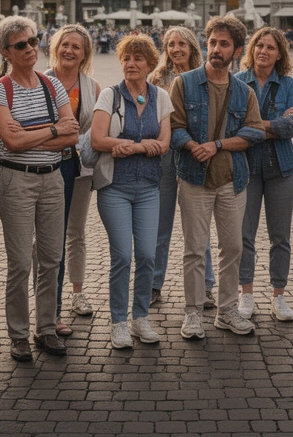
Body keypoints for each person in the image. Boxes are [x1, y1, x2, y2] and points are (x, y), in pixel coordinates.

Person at [0, 16, 79, 361]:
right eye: (21, 44)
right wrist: (52, 129)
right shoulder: (0, 89)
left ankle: (46, 329)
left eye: (33, 39)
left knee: (51, 258)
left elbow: (72, 135)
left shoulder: (51, 85)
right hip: (16, 180)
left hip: (53, 177)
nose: (31, 48)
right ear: (6, 51)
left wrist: (34, 133)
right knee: (20, 262)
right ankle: (18, 334)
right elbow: (9, 141)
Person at [168, 15, 264, 339]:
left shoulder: (244, 91)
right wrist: (194, 146)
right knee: (195, 249)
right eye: (212, 42)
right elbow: (174, 126)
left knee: (233, 247)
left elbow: (253, 132)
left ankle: (227, 310)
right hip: (194, 178)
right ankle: (193, 312)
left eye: (224, 44)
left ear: (236, 50)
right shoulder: (183, 83)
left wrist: (217, 145)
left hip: (232, 180)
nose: (216, 49)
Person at [91, 34, 172, 348]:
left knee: (148, 256)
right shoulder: (109, 96)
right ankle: (118, 322)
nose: (131, 64)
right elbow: (98, 140)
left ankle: (140, 318)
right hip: (115, 188)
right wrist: (138, 146)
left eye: (138, 58)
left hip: (150, 188)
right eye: (126, 58)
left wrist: (128, 147)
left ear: (150, 64)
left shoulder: (161, 97)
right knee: (123, 255)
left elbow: (163, 145)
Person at [234, 27, 293, 322]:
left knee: (280, 236)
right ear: (251, 50)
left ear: (279, 54)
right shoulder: (237, 82)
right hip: (246, 169)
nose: (263, 51)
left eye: (270, 48)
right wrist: (274, 124)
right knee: (244, 235)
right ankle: (246, 294)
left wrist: (257, 125)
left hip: (282, 169)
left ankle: (279, 296)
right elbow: (232, 127)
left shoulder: (287, 83)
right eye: (259, 46)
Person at [148, 26, 216, 306]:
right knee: (159, 226)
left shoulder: (205, 78)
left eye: (181, 44)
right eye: (170, 44)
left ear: (192, 47)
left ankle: (206, 285)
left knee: (198, 227)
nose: (175, 49)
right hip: (163, 158)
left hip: (194, 156)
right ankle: (153, 284)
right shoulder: (155, 78)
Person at [44, 24, 101, 335]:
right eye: (64, 44)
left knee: (76, 232)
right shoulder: (40, 81)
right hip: (46, 165)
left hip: (80, 169)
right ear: (56, 47)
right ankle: (48, 301)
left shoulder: (92, 88)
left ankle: (77, 293)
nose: (69, 50)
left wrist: (77, 142)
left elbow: (96, 129)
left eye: (75, 47)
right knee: (49, 236)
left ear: (84, 54)